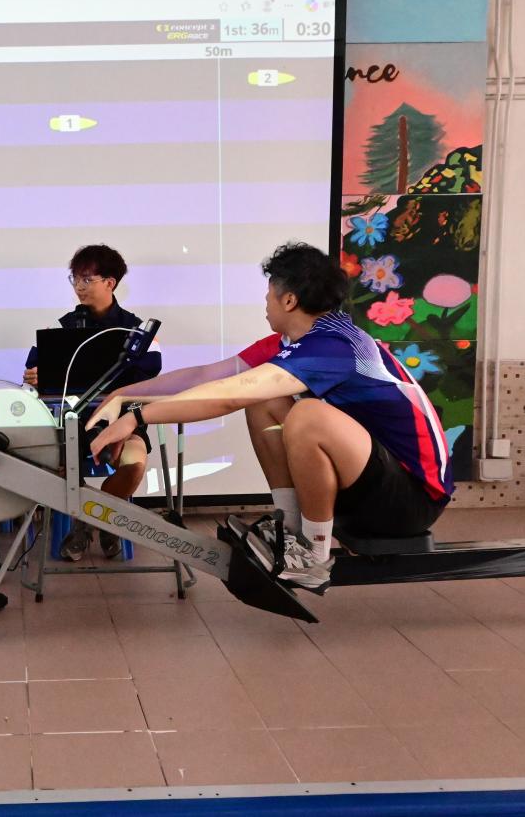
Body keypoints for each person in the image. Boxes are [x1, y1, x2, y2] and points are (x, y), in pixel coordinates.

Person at [90, 242, 453, 591]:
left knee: (307, 415)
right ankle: (291, 532)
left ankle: (312, 557)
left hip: (411, 500)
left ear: (289, 300)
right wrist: (123, 394)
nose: (265, 302)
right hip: (369, 483)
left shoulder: (336, 345)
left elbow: (228, 396)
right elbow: (205, 376)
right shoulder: (290, 343)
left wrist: (137, 418)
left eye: (269, 294)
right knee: (265, 401)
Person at [23, 244, 157, 561]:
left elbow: (150, 378)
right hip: (71, 422)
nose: (79, 287)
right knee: (54, 464)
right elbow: (33, 371)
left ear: (110, 282)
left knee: (135, 462)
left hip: (121, 422)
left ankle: (89, 524)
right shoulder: (63, 327)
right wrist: (35, 376)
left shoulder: (135, 330)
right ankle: (105, 521)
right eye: (75, 279)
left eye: (87, 279)